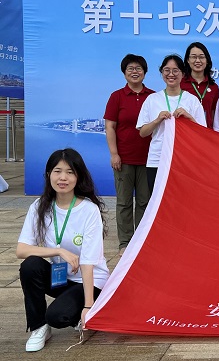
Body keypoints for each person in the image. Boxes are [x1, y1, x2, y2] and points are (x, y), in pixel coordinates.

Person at [17, 149, 110, 352]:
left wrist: (87, 306)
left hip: (90, 281)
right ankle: (39, 327)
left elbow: (87, 262)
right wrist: (58, 252)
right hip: (62, 278)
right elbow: (21, 250)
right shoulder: (39, 206)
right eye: (57, 171)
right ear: (48, 174)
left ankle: (84, 311)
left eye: (69, 172)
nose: (63, 178)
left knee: (57, 316)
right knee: (30, 266)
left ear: (78, 176)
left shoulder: (89, 210)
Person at [104, 54, 154, 255]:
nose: (135, 72)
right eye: (130, 68)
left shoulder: (153, 97)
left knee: (144, 202)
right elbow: (110, 127)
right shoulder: (117, 96)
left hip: (148, 159)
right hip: (123, 159)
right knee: (124, 202)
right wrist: (114, 154)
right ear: (124, 73)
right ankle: (125, 242)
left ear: (145, 72)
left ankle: (141, 242)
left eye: (138, 68)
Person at [137, 55, 206, 193]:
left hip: (184, 161)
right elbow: (143, 133)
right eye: (167, 70)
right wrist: (157, 120)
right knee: (157, 201)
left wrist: (189, 117)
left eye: (175, 70)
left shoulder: (192, 100)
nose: (171, 74)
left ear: (183, 74)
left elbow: (202, 134)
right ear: (162, 72)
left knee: (183, 200)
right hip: (157, 160)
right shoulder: (152, 99)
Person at [181, 42, 219, 128]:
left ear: (207, 60)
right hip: (186, 131)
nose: (198, 61)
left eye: (201, 57)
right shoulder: (180, 84)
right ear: (187, 60)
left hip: (206, 132)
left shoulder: (214, 87)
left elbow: (214, 114)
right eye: (194, 57)